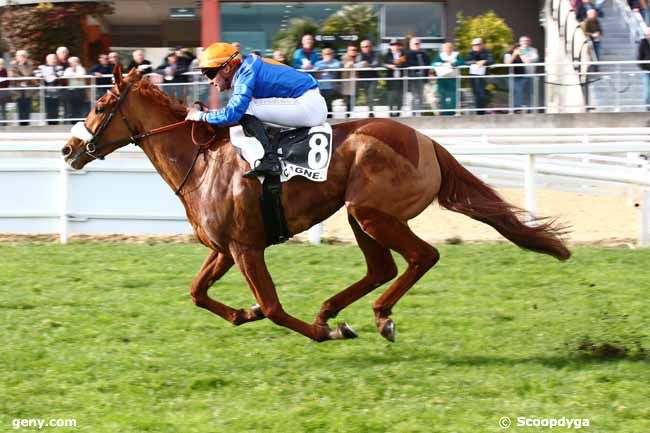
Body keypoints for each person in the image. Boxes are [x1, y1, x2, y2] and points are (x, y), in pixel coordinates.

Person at [185, 42, 327, 178]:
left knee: (247, 109)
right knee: (249, 108)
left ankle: (270, 160)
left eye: (210, 74)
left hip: (309, 105)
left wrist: (200, 116)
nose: (210, 81)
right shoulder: (247, 68)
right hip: (308, 102)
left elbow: (233, 114)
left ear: (227, 68)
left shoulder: (246, 73)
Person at [504, 36, 540, 112]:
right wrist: (515, 54)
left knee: (530, 93)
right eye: (523, 41)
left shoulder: (533, 50)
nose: (525, 42)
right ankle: (516, 109)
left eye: (527, 41)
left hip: (530, 75)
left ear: (530, 42)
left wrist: (520, 54)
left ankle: (530, 109)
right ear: (520, 43)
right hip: (518, 76)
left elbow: (528, 61)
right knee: (518, 92)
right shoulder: (514, 51)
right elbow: (508, 63)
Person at [431, 41, 463, 116]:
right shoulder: (441, 56)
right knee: (443, 95)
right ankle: (444, 112)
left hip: (452, 78)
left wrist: (454, 63)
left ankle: (452, 112)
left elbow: (461, 62)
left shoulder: (456, 55)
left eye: (449, 47)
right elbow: (433, 63)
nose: (447, 49)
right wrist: (439, 64)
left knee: (453, 96)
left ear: (452, 48)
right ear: (443, 49)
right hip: (442, 78)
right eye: (446, 48)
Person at [464, 38, 494, 115]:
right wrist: (477, 62)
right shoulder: (470, 53)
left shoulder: (486, 52)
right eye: (473, 45)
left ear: (482, 45)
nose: (475, 46)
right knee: (476, 94)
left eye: (477, 44)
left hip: (483, 77)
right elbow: (466, 62)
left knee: (481, 93)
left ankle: (481, 112)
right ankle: (478, 111)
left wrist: (485, 61)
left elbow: (491, 60)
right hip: (473, 77)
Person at [10, 50, 36, 126]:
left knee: (27, 107)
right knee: (20, 107)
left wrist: (24, 75)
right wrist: (24, 77)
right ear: (17, 57)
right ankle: (21, 124)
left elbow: (30, 74)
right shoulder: (13, 65)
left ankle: (27, 123)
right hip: (18, 90)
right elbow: (13, 76)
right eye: (20, 56)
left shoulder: (30, 64)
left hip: (28, 89)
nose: (22, 57)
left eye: (24, 56)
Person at [35, 53, 63, 125]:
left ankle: (55, 122)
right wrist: (46, 75)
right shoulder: (41, 67)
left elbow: (60, 74)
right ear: (47, 60)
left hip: (56, 90)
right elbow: (37, 74)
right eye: (52, 59)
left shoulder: (59, 67)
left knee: (55, 106)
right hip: (46, 91)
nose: (53, 60)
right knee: (47, 106)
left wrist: (51, 73)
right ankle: (49, 122)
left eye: (54, 59)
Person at [383, 38, 408, 117]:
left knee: (400, 97)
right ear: (390, 47)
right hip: (391, 79)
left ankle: (398, 113)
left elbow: (406, 63)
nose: (395, 47)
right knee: (390, 97)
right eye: (393, 45)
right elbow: (384, 63)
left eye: (397, 45)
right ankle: (390, 113)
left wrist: (397, 62)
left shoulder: (403, 54)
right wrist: (389, 65)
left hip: (400, 79)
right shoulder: (388, 54)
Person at [406, 37, 431, 114]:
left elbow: (428, 65)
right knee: (414, 96)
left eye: (418, 43)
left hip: (422, 78)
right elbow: (403, 63)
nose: (417, 45)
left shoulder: (424, 54)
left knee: (421, 96)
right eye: (415, 43)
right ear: (411, 45)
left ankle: (420, 112)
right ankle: (413, 112)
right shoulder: (407, 54)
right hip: (412, 78)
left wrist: (426, 77)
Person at [314, 47, 341, 115]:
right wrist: (327, 67)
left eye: (329, 54)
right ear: (323, 55)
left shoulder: (336, 62)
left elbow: (336, 67)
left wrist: (324, 67)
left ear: (332, 55)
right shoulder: (318, 63)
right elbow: (316, 71)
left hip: (331, 87)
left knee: (328, 104)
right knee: (321, 105)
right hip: (321, 86)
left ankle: (330, 118)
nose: (328, 55)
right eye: (326, 54)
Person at [356, 40, 380, 116]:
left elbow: (376, 64)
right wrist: (364, 64)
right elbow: (357, 65)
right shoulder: (360, 55)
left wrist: (367, 65)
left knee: (371, 95)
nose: (365, 48)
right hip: (363, 78)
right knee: (366, 96)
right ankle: (370, 111)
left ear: (370, 46)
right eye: (363, 47)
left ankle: (371, 113)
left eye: (366, 46)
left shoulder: (375, 54)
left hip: (373, 78)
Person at [63, 56, 87, 122]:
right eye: (70, 63)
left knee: (80, 106)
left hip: (80, 90)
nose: (70, 64)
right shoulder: (68, 69)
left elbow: (81, 75)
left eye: (72, 62)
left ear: (76, 62)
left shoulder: (81, 68)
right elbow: (66, 75)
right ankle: (73, 121)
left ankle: (79, 121)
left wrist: (73, 74)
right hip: (71, 90)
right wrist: (75, 75)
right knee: (72, 106)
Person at [341, 44, 359, 115]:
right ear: (348, 51)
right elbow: (345, 68)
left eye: (355, 50)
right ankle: (347, 115)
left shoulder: (358, 58)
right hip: (347, 84)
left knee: (353, 101)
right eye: (351, 50)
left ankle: (350, 114)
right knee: (348, 102)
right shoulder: (344, 58)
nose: (353, 51)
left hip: (355, 83)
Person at [637, 27, 650, 110]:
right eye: (648, 34)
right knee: (647, 91)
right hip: (647, 71)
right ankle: (647, 109)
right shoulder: (643, 42)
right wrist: (644, 68)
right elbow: (639, 58)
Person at [0, 59, 11, 123]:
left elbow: (7, 82)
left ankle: (4, 123)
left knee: (3, 108)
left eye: (1, 64)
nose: (0, 65)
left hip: (3, 92)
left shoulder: (4, 71)